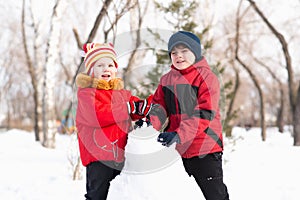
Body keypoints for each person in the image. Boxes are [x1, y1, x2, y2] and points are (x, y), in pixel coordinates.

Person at [149, 31, 230, 200]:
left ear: (195, 53)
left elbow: (204, 113)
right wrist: (150, 126)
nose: (178, 56)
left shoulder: (207, 78)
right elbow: (159, 108)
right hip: (178, 150)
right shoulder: (166, 80)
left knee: (214, 195)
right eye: (174, 52)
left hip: (205, 148)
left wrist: (179, 134)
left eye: (184, 50)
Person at [75, 42, 152, 200]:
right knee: (97, 195)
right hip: (98, 157)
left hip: (120, 156)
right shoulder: (87, 94)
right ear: (91, 71)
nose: (106, 69)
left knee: (119, 194)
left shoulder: (122, 94)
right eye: (100, 65)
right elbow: (99, 115)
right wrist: (128, 108)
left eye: (110, 64)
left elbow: (137, 107)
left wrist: (151, 105)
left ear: (116, 69)